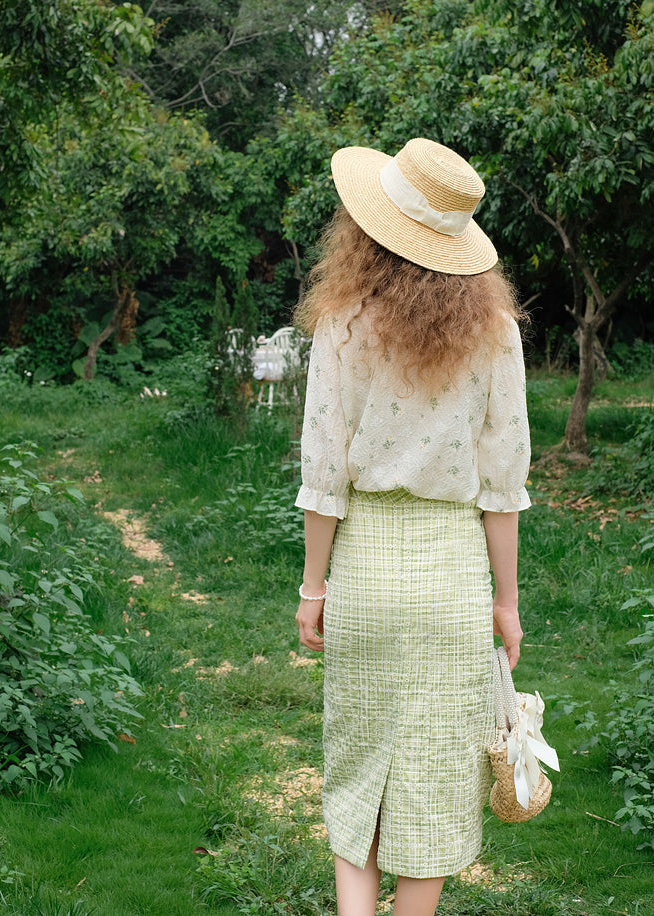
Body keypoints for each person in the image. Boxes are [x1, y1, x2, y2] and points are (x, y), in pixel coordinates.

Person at [293, 138, 531, 916]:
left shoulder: (344, 323)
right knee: (431, 778)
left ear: (367, 229)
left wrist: (311, 586)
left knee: (358, 767)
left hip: (364, 572)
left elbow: (323, 475)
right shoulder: (495, 330)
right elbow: (503, 485)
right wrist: (506, 602)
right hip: (451, 577)